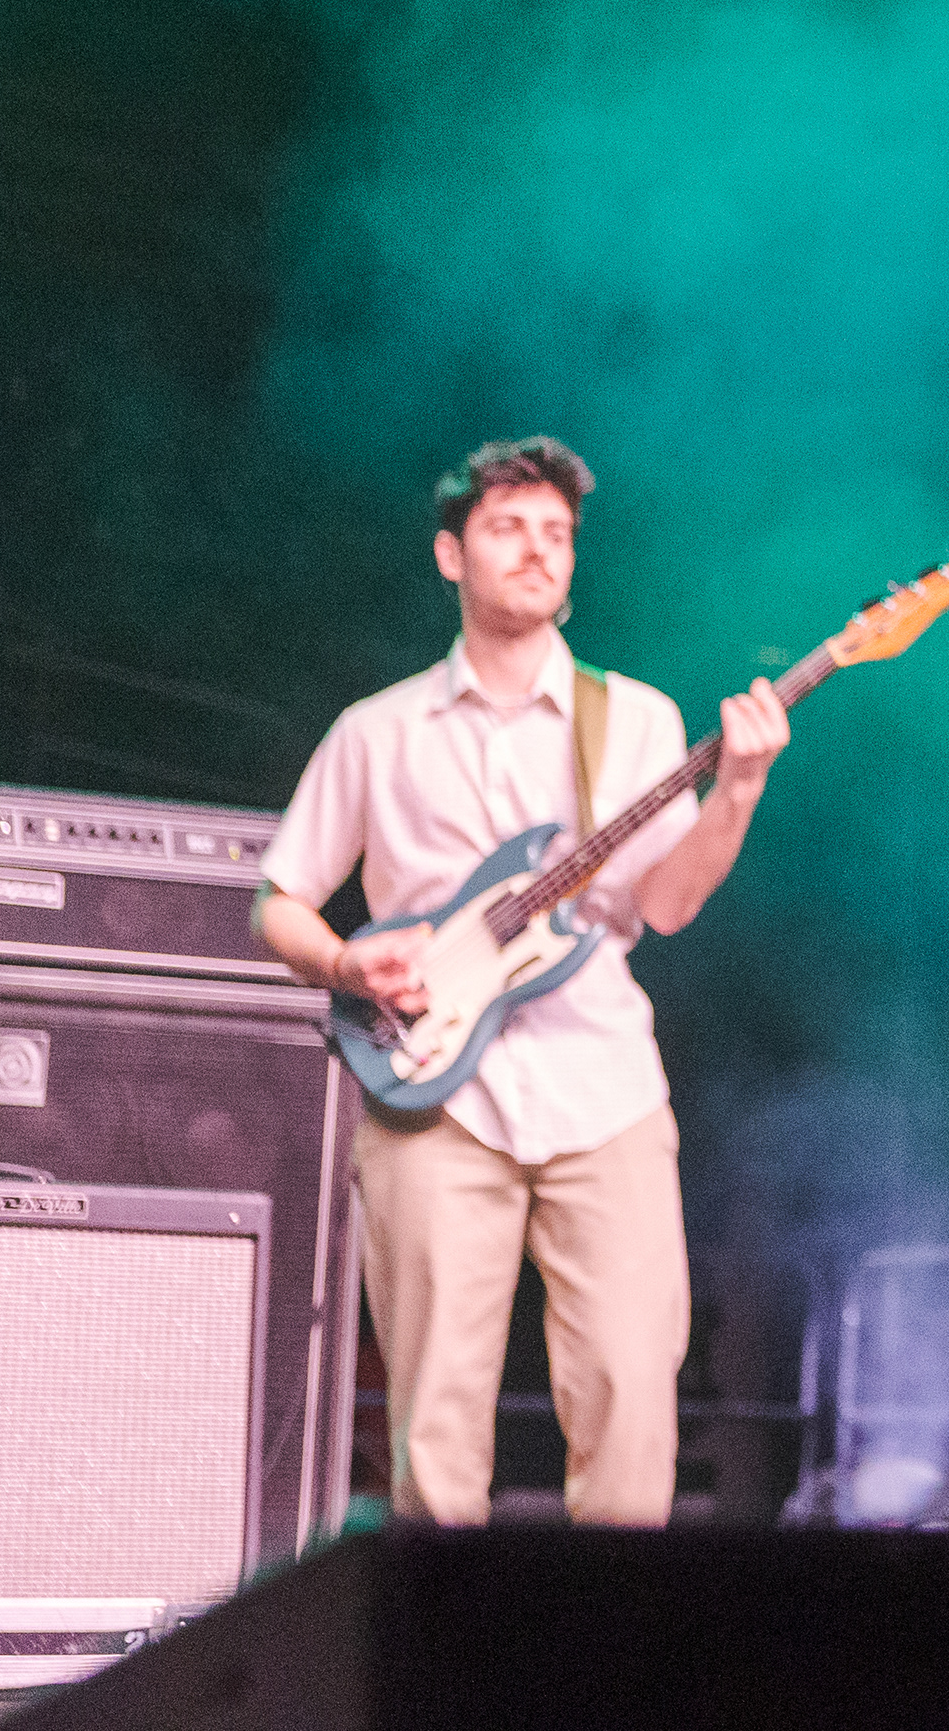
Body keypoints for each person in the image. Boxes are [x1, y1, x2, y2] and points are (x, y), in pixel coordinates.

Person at [253, 436, 790, 1526]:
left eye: (556, 534)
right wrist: (346, 957)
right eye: (509, 528)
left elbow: (668, 905)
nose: (537, 551)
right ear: (451, 554)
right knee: (435, 1426)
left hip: (605, 1093)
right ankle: (445, 1679)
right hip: (434, 1093)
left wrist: (738, 788)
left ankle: (613, 1672)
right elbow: (278, 900)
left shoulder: (630, 718)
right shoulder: (379, 729)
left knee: (635, 1404)